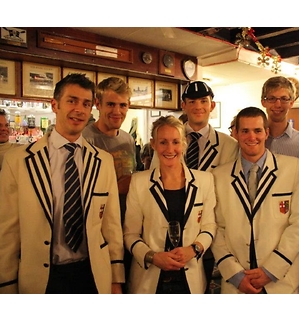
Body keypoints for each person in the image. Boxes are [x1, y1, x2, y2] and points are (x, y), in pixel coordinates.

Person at [0, 73, 125, 294]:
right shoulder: (18, 161)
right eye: (72, 101)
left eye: (86, 104)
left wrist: (116, 279)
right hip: (43, 278)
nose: (79, 109)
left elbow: (111, 226)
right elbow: (8, 232)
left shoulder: (103, 162)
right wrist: (6, 286)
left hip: (92, 274)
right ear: (55, 105)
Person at [151, 80, 238, 293]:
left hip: (207, 233)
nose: (198, 106)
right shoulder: (168, 138)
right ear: (184, 105)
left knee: (200, 288)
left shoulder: (229, 145)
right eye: (192, 101)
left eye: (203, 101)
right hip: (166, 227)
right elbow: (156, 177)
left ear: (212, 105)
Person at [211, 106, 299, 294]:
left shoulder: (292, 168)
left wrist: (272, 269)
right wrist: (234, 274)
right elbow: (216, 228)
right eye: (245, 131)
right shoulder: (219, 176)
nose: (251, 137)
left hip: (282, 280)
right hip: (237, 281)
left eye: (257, 130)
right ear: (236, 134)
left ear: (266, 133)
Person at [123, 115, 217, 293]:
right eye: (163, 142)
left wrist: (193, 249)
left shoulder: (205, 180)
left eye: (175, 142)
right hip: (149, 278)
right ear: (153, 144)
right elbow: (130, 234)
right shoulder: (139, 182)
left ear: (183, 143)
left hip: (191, 279)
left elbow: (209, 226)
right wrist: (153, 257)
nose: (170, 149)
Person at [82, 76, 135, 292]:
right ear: (98, 104)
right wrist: (117, 187)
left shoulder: (128, 139)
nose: (117, 111)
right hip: (98, 234)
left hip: (128, 227)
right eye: (111, 104)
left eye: (122, 105)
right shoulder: (86, 138)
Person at [261, 76, 299, 173]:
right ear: (263, 102)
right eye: (272, 98)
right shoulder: (253, 142)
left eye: (284, 99)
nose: (278, 104)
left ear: (291, 103)